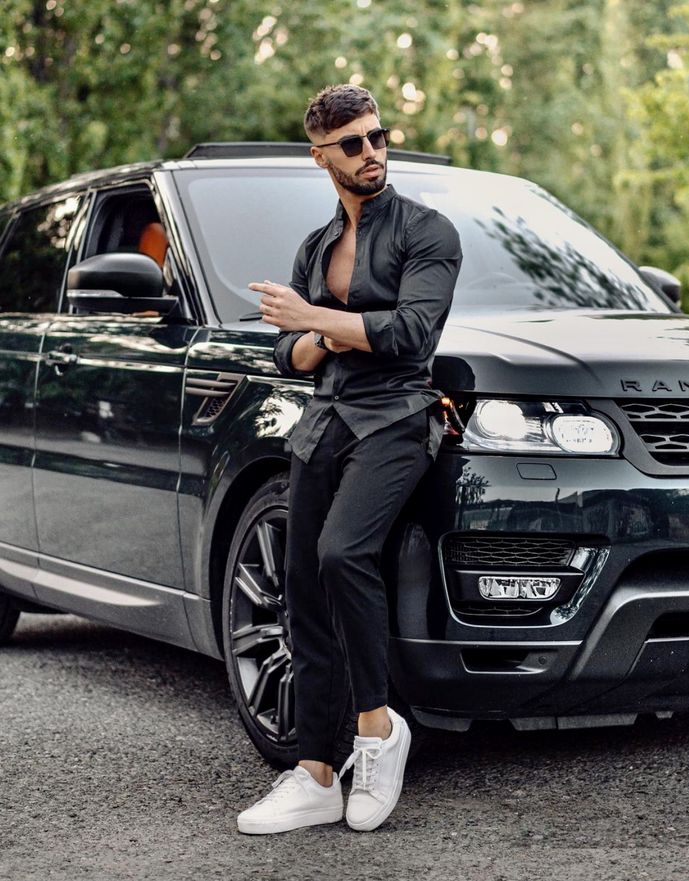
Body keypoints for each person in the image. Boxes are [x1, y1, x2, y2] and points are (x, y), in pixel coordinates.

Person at [237, 83, 462, 835]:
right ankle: (315, 773)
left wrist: (317, 322)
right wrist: (322, 331)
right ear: (321, 156)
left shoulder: (428, 231)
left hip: (399, 414)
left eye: (377, 136)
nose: (373, 153)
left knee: (342, 553)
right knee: (301, 588)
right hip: (326, 420)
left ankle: (377, 730)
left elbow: (412, 332)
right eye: (354, 144)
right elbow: (288, 351)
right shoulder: (315, 247)